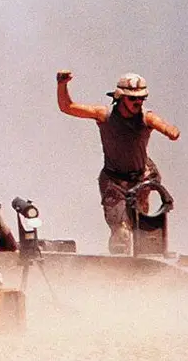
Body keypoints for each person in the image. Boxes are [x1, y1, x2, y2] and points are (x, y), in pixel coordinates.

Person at [56, 70, 181, 253]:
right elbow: (68, 107)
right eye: (132, 99)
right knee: (121, 233)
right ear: (120, 97)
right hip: (113, 180)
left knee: (143, 230)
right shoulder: (104, 115)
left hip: (142, 178)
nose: (138, 102)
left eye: (141, 98)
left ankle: (145, 266)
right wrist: (62, 85)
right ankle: (119, 267)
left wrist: (170, 131)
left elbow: (166, 127)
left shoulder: (147, 117)